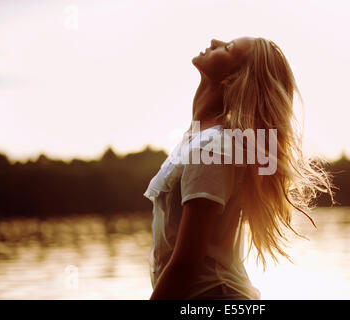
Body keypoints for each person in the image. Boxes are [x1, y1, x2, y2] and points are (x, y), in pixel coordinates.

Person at [143, 37, 335, 300]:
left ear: (232, 79)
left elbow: (186, 264)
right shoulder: (200, 137)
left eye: (228, 48)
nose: (214, 41)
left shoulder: (214, 147)